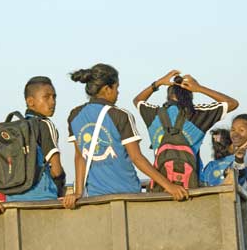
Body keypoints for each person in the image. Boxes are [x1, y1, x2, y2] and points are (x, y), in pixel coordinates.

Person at [63, 63, 189, 209]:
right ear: (106, 89)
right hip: (127, 194)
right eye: (116, 88)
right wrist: (169, 186)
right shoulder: (121, 115)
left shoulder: (75, 115)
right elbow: (137, 158)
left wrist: (78, 192)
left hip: (95, 198)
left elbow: (80, 157)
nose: (118, 93)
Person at [133, 69, 239, 180]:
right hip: (191, 185)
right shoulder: (197, 114)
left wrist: (158, 82)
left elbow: (137, 100)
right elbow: (232, 103)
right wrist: (199, 88)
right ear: (190, 96)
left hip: (162, 184)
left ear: (168, 95)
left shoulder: (153, 114)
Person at [6, 76, 67, 201]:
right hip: (42, 197)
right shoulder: (44, 124)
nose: (52, 102)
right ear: (30, 101)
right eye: (46, 97)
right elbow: (56, 170)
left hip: (13, 198)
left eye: (54, 97)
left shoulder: (14, 128)